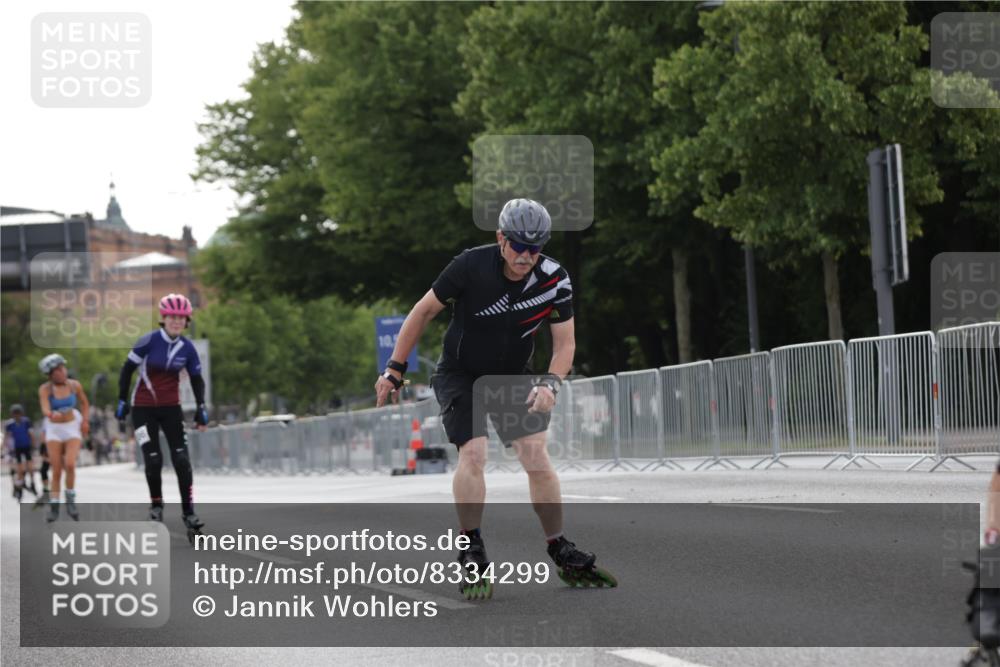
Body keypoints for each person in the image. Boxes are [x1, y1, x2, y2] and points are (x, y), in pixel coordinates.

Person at [374, 198, 615, 598]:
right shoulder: (469, 265)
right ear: (500, 238)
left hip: (512, 375)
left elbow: (565, 344)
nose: (526, 256)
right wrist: (395, 368)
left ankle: (558, 545)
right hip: (460, 373)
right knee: (475, 454)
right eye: (519, 245)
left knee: (536, 458)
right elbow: (421, 312)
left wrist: (550, 383)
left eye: (535, 248)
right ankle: (471, 548)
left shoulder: (555, 279)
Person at [115, 293, 208, 535]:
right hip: (142, 408)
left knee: (182, 460)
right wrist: (122, 400)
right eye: (172, 317)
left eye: (181, 318)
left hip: (170, 409)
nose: (176, 321)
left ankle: (189, 512)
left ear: (186, 321)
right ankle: (156, 504)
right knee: (154, 459)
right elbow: (126, 371)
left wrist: (201, 407)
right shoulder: (147, 341)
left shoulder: (188, 348)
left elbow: (197, 379)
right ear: (163, 318)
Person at [37, 354, 90, 522]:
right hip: (54, 429)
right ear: (50, 374)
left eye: (62, 368)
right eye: (57, 370)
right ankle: (54, 508)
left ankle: (70, 501)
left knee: (70, 464)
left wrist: (85, 421)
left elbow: (84, 403)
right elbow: (45, 408)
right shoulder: (45, 389)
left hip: (72, 426)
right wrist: (52, 414)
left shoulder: (74, 385)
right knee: (57, 470)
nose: (62, 372)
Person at [5, 404, 37, 500]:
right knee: (19, 467)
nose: (17, 416)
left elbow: (31, 434)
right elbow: (7, 437)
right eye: (15, 414)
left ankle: (32, 482)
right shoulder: (10, 424)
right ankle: (20, 485)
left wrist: (33, 444)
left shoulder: (26, 422)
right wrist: (5, 448)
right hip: (17, 448)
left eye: (18, 414)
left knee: (30, 465)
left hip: (26, 446)